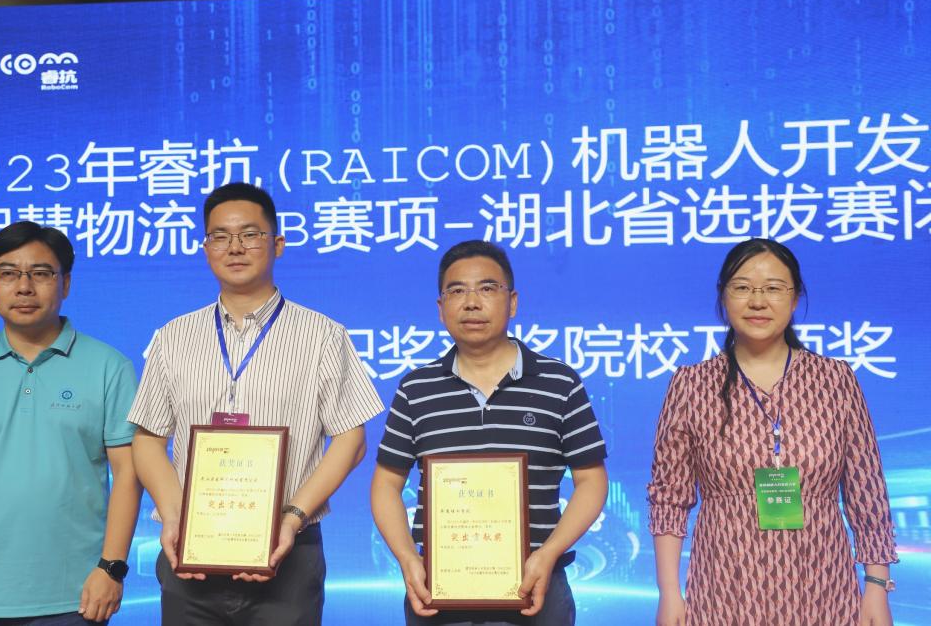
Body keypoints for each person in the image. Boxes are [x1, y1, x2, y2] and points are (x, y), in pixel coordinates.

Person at [128, 182, 384, 625]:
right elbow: (148, 439)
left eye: (250, 234)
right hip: (191, 554)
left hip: (289, 550)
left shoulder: (322, 335)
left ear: (277, 244)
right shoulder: (173, 337)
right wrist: (174, 517)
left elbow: (351, 440)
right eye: (220, 236)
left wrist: (292, 517)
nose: (235, 247)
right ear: (206, 248)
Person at [648, 238, 897, 626]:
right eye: (743, 287)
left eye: (774, 288)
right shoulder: (691, 384)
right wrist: (669, 593)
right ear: (723, 297)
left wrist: (876, 588)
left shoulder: (836, 380)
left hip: (825, 590)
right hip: (723, 590)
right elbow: (669, 498)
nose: (758, 301)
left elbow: (867, 492)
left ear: (794, 299)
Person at [0, 222, 142, 626]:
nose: (23, 287)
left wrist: (111, 568)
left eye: (40, 273)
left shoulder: (110, 368)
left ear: (65, 283)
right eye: (8, 273)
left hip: (76, 596)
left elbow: (128, 474)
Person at [371, 240, 609, 626]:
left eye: (486, 288)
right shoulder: (415, 389)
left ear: (512, 302)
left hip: (537, 587)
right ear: (441, 308)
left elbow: (591, 481)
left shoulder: (559, 382)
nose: (471, 302)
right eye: (457, 291)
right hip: (437, 590)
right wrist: (407, 558)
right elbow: (385, 483)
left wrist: (548, 553)